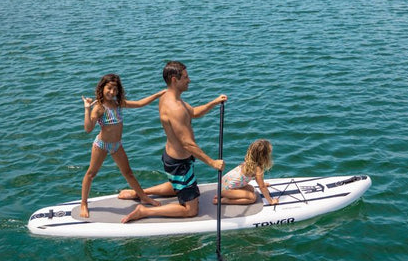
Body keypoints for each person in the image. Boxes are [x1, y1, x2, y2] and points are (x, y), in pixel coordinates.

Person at [122, 61, 226, 222]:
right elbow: (187, 143)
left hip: (175, 159)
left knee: (175, 185)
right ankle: (144, 211)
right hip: (179, 164)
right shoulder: (175, 108)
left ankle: (140, 193)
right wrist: (212, 163)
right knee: (191, 210)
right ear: (174, 79)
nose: (189, 80)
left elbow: (192, 112)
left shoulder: (169, 97)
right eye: (185, 77)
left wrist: (213, 102)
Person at [80, 73, 165, 218]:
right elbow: (88, 129)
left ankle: (143, 197)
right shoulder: (99, 108)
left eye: (115, 89)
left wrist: (159, 94)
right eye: (109, 88)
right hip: (101, 145)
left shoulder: (118, 104)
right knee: (91, 174)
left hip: (117, 146)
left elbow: (139, 103)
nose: (112, 92)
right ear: (102, 88)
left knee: (128, 173)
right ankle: (83, 203)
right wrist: (87, 109)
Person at [214, 139, 279, 205]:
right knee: (252, 198)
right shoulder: (258, 168)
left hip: (222, 184)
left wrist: (263, 184)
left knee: (251, 189)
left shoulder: (249, 162)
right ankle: (224, 200)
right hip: (225, 190)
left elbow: (259, 181)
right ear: (264, 156)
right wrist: (271, 201)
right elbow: (261, 187)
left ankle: (224, 195)